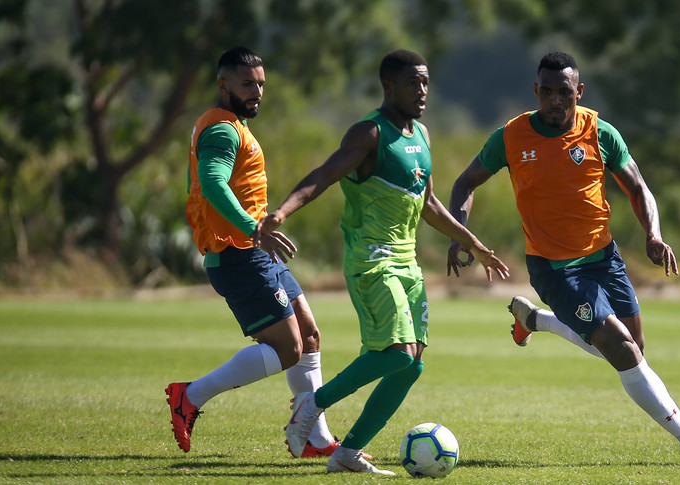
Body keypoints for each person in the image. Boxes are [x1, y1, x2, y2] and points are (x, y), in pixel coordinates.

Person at [446, 51, 680, 467]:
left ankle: (535, 321)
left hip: (605, 259)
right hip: (554, 268)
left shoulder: (600, 132)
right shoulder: (511, 137)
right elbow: (466, 181)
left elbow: (638, 187)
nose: (556, 101)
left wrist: (653, 233)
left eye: (565, 93)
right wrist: (459, 235)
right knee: (623, 350)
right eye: (548, 92)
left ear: (580, 92)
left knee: (634, 346)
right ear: (536, 91)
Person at [255, 49, 509, 475]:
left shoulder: (423, 136)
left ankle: (348, 452)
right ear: (389, 86)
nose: (422, 90)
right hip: (371, 260)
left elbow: (428, 204)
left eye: (425, 82)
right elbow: (322, 176)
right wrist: (280, 213)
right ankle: (310, 406)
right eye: (412, 83)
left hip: (407, 266)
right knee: (396, 353)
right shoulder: (369, 133)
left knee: (412, 364)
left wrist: (473, 243)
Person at [165, 46, 342, 458]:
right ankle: (189, 396)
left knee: (310, 336)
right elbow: (212, 184)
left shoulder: (234, 125)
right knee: (288, 349)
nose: (257, 91)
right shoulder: (223, 129)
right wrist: (255, 230)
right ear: (223, 84)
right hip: (238, 254)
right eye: (247, 84)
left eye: (261, 84)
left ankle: (315, 439)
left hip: (257, 253)